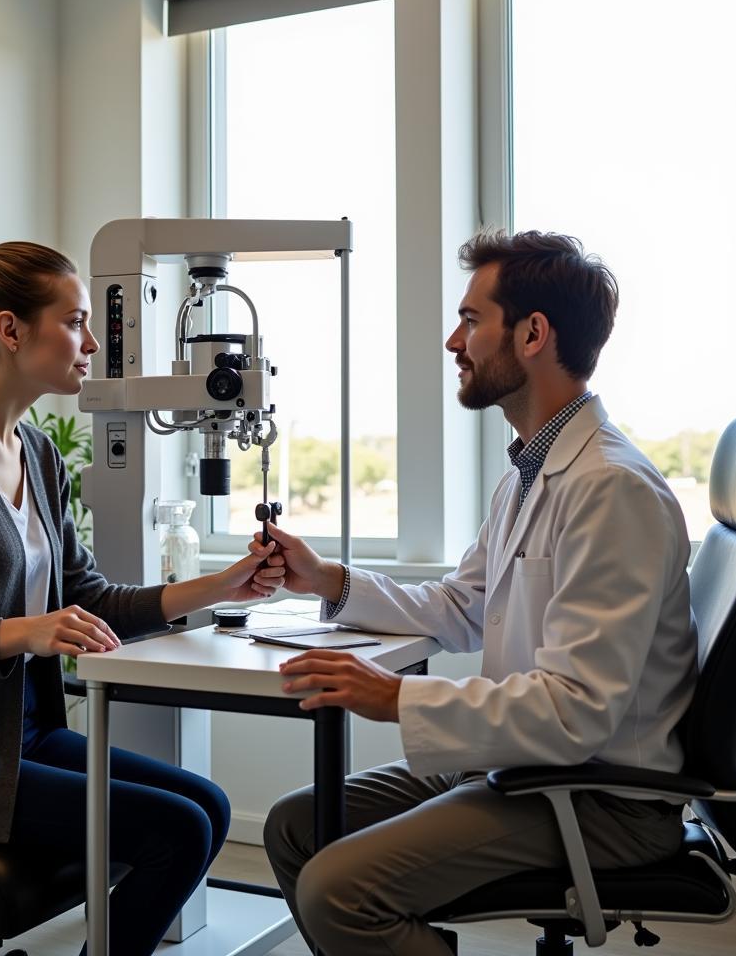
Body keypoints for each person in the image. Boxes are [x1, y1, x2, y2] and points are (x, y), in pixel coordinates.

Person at [251, 229, 698, 956]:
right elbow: (463, 606)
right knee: (296, 827)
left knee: (338, 889)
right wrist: (327, 580)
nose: (453, 341)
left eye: (469, 320)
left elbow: (577, 708)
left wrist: (394, 698)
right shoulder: (529, 471)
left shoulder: (611, 488)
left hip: (600, 797)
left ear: (532, 334)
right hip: (531, 765)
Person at [0, 242, 286, 956]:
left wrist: (221, 585)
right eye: (76, 322)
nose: (92, 343)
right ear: (10, 330)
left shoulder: (38, 452)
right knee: (176, 830)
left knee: (206, 805)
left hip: (23, 737)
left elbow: (89, 596)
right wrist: (25, 633)